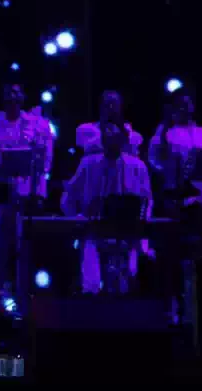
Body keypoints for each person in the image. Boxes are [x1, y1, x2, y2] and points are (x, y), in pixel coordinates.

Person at [0, 81, 53, 304]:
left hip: (26, 192)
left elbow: (44, 160)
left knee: (24, 246)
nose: (13, 97)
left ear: (23, 97)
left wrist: (39, 192)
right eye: (9, 93)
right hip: (0, 191)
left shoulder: (36, 124)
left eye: (17, 93)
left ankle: (24, 298)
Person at [62, 122, 152, 294]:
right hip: (94, 232)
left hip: (128, 233)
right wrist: (76, 218)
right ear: (102, 140)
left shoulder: (138, 166)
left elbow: (147, 200)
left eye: (115, 137)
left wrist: (142, 229)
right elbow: (68, 196)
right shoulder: (88, 164)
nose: (111, 142)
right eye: (107, 137)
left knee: (127, 283)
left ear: (123, 140)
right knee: (92, 285)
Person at [148, 90, 202, 207]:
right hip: (178, 196)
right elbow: (156, 160)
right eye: (181, 104)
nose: (185, 108)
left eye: (188, 104)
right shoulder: (167, 132)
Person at [76, 90, 142, 156]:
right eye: (107, 105)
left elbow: (134, 152)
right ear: (100, 107)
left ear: (120, 108)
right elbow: (82, 151)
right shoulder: (85, 129)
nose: (111, 108)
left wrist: (122, 129)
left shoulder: (130, 132)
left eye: (115, 105)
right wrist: (103, 128)